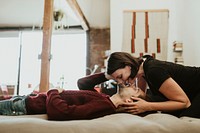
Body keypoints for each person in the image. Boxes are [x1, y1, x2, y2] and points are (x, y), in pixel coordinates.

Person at [77, 52, 200, 118]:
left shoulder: (153, 71)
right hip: (191, 94)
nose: (121, 82)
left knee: (186, 120)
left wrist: (147, 106)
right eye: (116, 80)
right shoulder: (143, 71)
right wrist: (110, 74)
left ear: (128, 65)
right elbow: (142, 97)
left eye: (120, 77)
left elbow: (184, 103)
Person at [0, 85, 139, 120]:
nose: (133, 85)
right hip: (28, 100)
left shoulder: (104, 105)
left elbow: (62, 111)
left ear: (129, 100)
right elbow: (84, 82)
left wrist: (53, 91)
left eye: (136, 90)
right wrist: (108, 75)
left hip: (24, 106)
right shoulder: (104, 98)